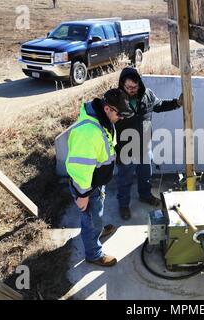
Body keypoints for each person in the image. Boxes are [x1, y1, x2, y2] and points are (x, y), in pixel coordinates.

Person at [66, 88, 134, 267]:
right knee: (89, 218)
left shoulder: (101, 120)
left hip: (96, 182)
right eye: (119, 114)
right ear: (107, 109)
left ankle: (99, 229)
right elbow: (80, 168)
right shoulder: (88, 133)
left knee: (96, 214)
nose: (121, 118)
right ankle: (94, 254)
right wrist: (82, 195)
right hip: (87, 187)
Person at [115, 67, 183, 220]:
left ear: (139, 84)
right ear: (122, 84)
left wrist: (177, 103)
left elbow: (159, 105)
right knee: (124, 179)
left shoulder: (147, 95)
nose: (132, 90)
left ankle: (145, 195)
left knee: (145, 175)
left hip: (145, 147)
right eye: (128, 87)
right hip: (124, 149)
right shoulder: (115, 99)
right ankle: (123, 205)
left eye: (135, 86)